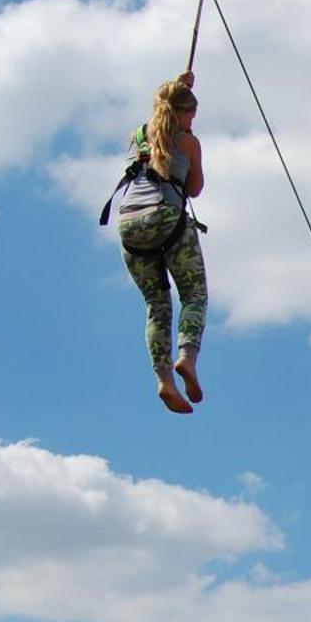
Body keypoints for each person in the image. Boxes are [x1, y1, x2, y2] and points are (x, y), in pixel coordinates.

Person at [112, 73, 209, 415]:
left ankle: (165, 381)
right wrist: (190, 141)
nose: (192, 121)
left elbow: (162, 110)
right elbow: (195, 188)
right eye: (191, 115)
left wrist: (177, 86)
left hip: (129, 226)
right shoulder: (188, 142)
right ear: (183, 114)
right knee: (194, 295)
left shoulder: (138, 135)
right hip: (166, 218)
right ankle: (188, 358)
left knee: (157, 305)